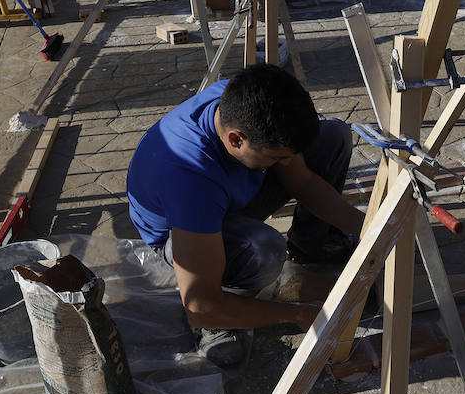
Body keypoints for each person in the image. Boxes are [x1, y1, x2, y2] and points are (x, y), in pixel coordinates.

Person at [126, 64, 362, 367]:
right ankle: (220, 322)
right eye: (278, 158)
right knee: (261, 249)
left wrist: (373, 229)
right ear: (236, 139)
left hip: (223, 193)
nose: (286, 163)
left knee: (333, 136)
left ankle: (310, 246)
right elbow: (199, 305)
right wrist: (298, 314)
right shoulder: (190, 180)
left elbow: (302, 182)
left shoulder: (244, 102)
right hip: (181, 233)